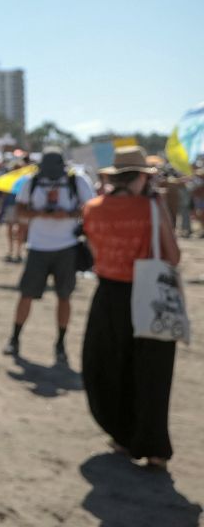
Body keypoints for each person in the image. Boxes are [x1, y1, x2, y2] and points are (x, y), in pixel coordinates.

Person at [81, 146, 181, 470]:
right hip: (148, 293)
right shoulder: (152, 207)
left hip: (109, 295)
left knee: (109, 368)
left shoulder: (93, 208)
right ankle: (155, 449)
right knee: (153, 372)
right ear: (140, 177)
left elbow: (95, 251)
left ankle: (122, 435)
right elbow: (173, 256)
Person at [3, 149, 96, 361]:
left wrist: (69, 214)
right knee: (26, 294)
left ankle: (60, 343)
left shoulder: (76, 181)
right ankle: (15, 338)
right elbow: (20, 211)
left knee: (64, 296)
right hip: (38, 247)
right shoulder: (32, 181)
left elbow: (90, 209)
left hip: (67, 247)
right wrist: (40, 213)